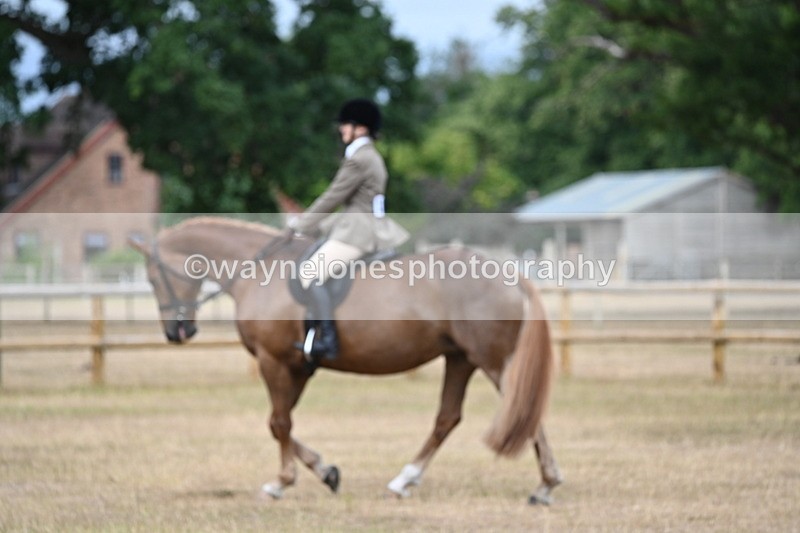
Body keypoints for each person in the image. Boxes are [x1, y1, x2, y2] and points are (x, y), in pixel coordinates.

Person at [287, 98, 409, 360]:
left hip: (358, 229)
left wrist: (302, 223)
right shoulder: (370, 156)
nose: (341, 129)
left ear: (360, 128)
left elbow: (333, 196)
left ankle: (327, 342)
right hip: (367, 224)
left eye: (346, 124)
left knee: (310, 273)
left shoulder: (360, 159)